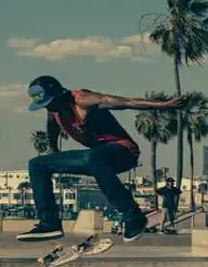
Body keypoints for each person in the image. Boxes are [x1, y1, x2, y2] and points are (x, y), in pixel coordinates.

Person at [16, 76, 182, 242]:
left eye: (51, 103)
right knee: (37, 164)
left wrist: (164, 105)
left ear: (60, 94)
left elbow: (126, 102)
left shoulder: (82, 99)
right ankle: (49, 223)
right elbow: (52, 126)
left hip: (124, 152)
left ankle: (133, 216)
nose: (51, 108)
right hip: (96, 159)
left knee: (93, 156)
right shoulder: (53, 110)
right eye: (46, 106)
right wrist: (53, 149)